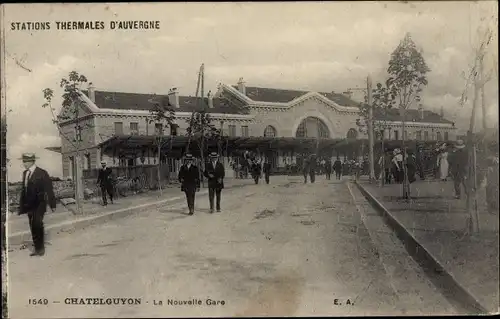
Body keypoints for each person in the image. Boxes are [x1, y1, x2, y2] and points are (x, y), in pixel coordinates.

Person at [18, 153, 56, 257]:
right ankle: (37, 247)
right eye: (23, 161)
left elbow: (49, 189)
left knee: (37, 224)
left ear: (31, 161)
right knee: (32, 225)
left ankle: (40, 249)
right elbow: (24, 190)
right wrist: (21, 205)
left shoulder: (42, 173)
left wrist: (52, 204)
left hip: (40, 203)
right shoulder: (25, 173)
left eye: (25, 161)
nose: (24, 163)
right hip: (28, 204)